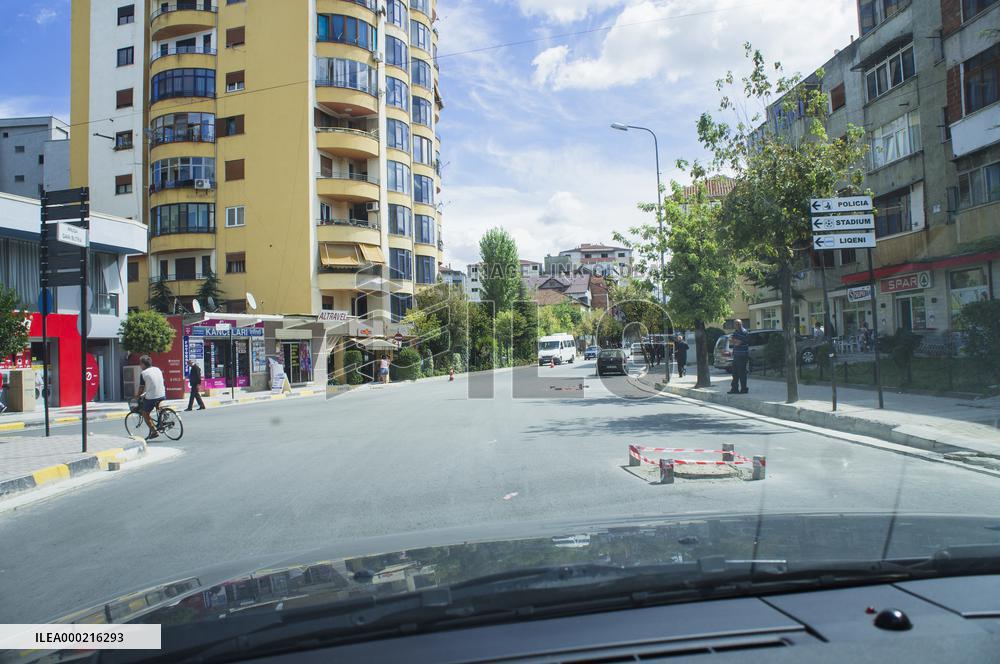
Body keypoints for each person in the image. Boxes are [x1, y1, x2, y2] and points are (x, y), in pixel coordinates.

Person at [136, 355, 166, 440]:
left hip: (152, 397)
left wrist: (138, 396)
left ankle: (154, 432)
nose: (140, 366)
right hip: (162, 394)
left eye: (140, 364)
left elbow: (141, 387)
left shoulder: (143, 373)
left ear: (143, 364)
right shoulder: (157, 369)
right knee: (158, 408)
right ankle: (162, 420)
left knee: (145, 413)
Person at [729, 321, 750, 394]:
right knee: (735, 373)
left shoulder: (744, 332)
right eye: (735, 324)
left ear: (741, 324)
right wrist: (734, 341)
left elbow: (738, 343)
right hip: (736, 355)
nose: (736, 325)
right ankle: (734, 389)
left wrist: (734, 341)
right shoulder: (736, 332)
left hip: (742, 355)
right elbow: (731, 341)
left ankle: (744, 389)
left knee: (742, 373)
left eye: (738, 324)